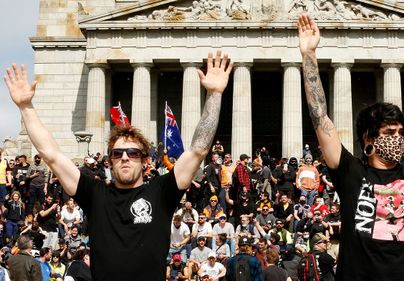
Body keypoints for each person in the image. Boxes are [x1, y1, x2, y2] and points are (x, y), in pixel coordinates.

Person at [4, 50, 233, 280]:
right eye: (117, 153)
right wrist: (26, 107)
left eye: (132, 152)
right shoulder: (94, 194)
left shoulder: (162, 192)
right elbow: (51, 155)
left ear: (145, 161)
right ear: (110, 160)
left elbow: (198, 150)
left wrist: (214, 94)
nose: (125, 157)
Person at [297, 14, 404, 280]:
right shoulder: (350, 172)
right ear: (368, 139)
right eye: (389, 132)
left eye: (401, 132)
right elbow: (319, 116)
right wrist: (309, 55)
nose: (398, 138)